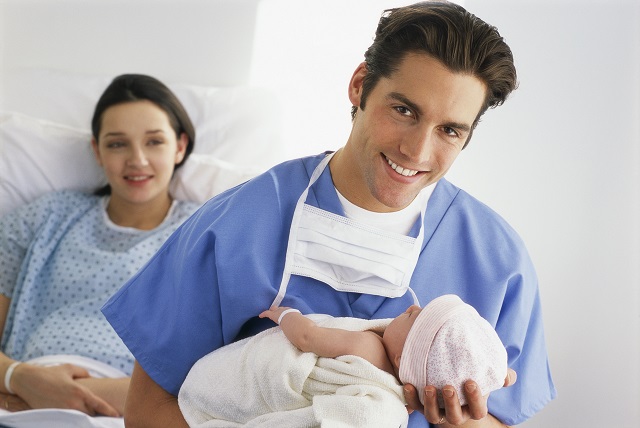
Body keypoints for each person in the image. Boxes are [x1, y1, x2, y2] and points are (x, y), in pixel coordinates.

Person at [102, 2, 556, 427]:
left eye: (450, 130)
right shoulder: (235, 226)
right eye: (403, 110)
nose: (417, 151)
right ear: (360, 85)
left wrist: (457, 418)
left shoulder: (498, 264)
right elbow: (146, 412)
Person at [0, 74, 200, 417]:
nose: (137, 159)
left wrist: (63, 395)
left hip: (132, 409)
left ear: (180, 146)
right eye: (117, 144)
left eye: (154, 142)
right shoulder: (44, 218)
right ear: (97, 150)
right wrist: (18, 377)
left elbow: (209, 373)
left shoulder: (201, 235)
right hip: (19, 400)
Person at [178, 295, 509, 427]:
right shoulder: (395, 400)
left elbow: (307, 338)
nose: (411, 308)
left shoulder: (367, 345)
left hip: (255, 378)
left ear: (399, 357)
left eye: (413, 318)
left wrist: (285, 315)